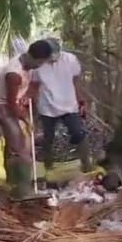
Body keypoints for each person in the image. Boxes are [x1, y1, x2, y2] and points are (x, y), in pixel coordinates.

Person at [0, 41, 54, 201]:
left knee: (14, 145)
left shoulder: (29, 66)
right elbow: (11, 105)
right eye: (40, 62)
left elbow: (34, 85)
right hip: (4, 110)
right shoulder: (13, 74)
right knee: (21, 146)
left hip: (16, 106)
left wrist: (28, 96)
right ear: (34, 57)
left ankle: (12, 182)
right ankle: (24, 189)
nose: (41, 66)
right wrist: (27, 120)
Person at [27, 38, 93, 173]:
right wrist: (29, 102)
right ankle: (48, 166)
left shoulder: (71, 60)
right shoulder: (39, 64)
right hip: (47, 106)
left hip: (69, 105)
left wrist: (81, 100)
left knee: (78, 133)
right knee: (48, 138)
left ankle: (87, 166)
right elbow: (34, 86)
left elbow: (76, 82)